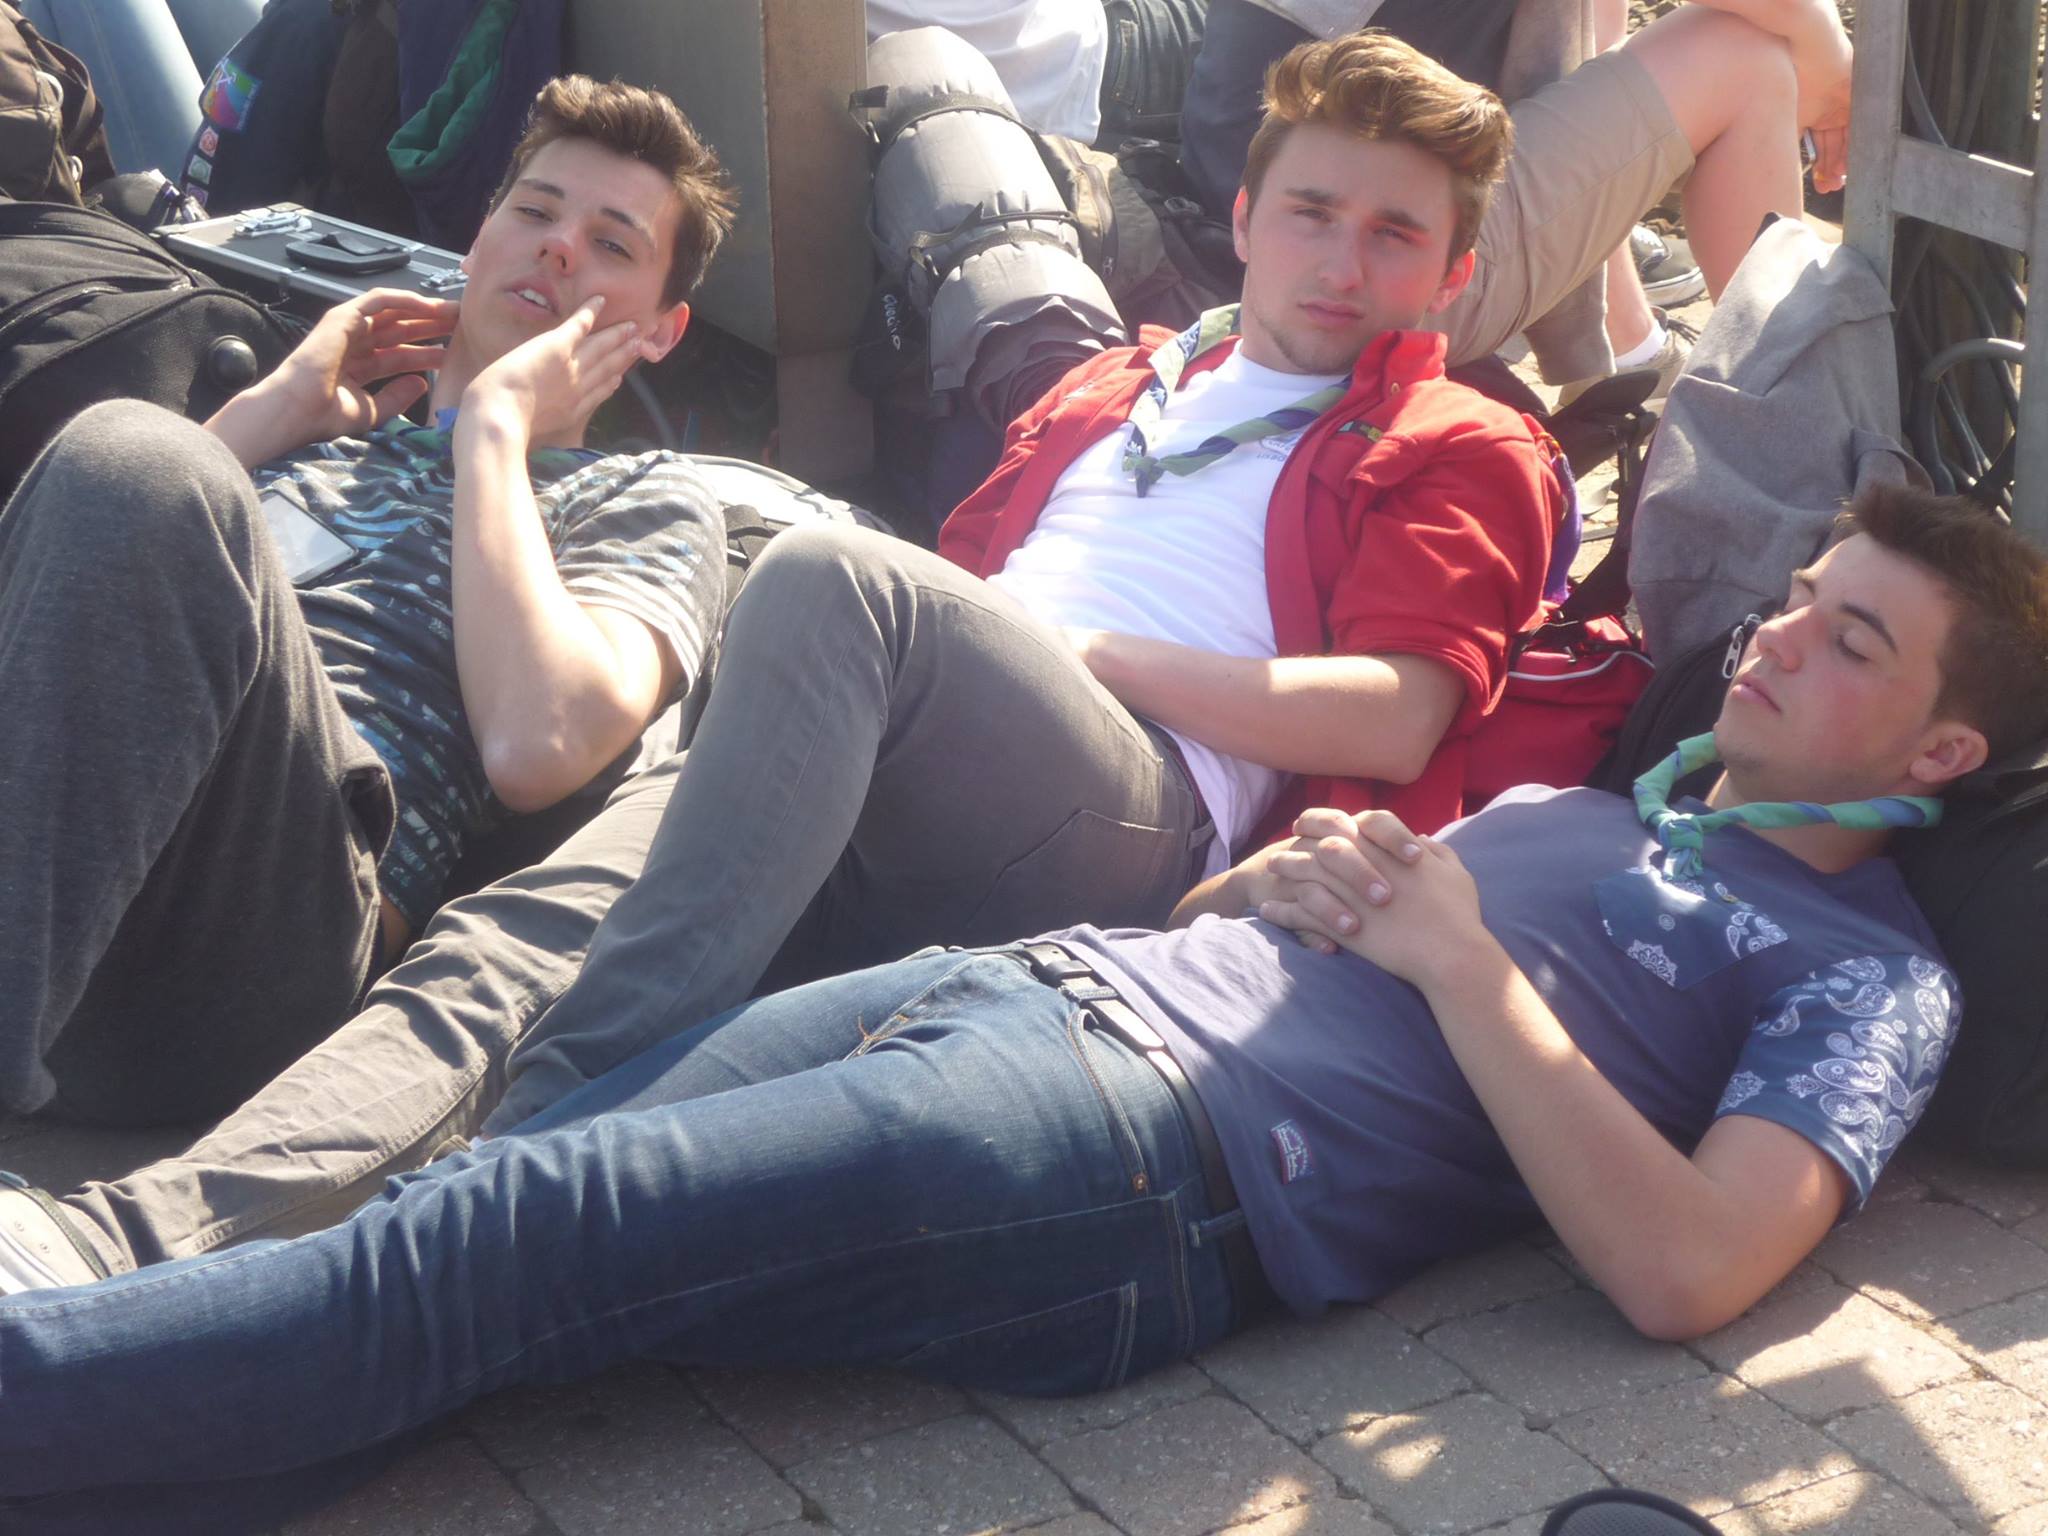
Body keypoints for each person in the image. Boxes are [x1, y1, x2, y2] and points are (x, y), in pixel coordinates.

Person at [4, 483, 2044, 1527]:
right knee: (494, 1231)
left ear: (1943, 753)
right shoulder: (1593, 804)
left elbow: (1688, 1269)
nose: (1777, 633)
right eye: (1799, 595)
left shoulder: (1868, 975)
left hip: (1144, 1160)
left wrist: (1457, 957)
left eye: (1849, 639)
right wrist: (1274, 882)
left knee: (504, 1239)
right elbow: (1252, 924)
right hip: (1033, 992)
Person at [0, 76, 733, 1125]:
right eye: (533, 212)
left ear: (659, 330)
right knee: (132, 459)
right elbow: (72, 604)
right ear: (476, 242)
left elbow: (539, 744)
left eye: (612, 244)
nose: (560, 247)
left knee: (135, 454)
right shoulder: (314, 434)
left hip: (270, 925)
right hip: (77, 859)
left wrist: (494, 430)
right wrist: (269, 411)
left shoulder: (646, 497)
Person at [1178, 0, 1851, 396]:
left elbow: (1585, 60)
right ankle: (1785, 417)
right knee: (1745, 56)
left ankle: (1633, 350)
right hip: (1362, 278)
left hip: (1262, 225)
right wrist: (1837, 69)